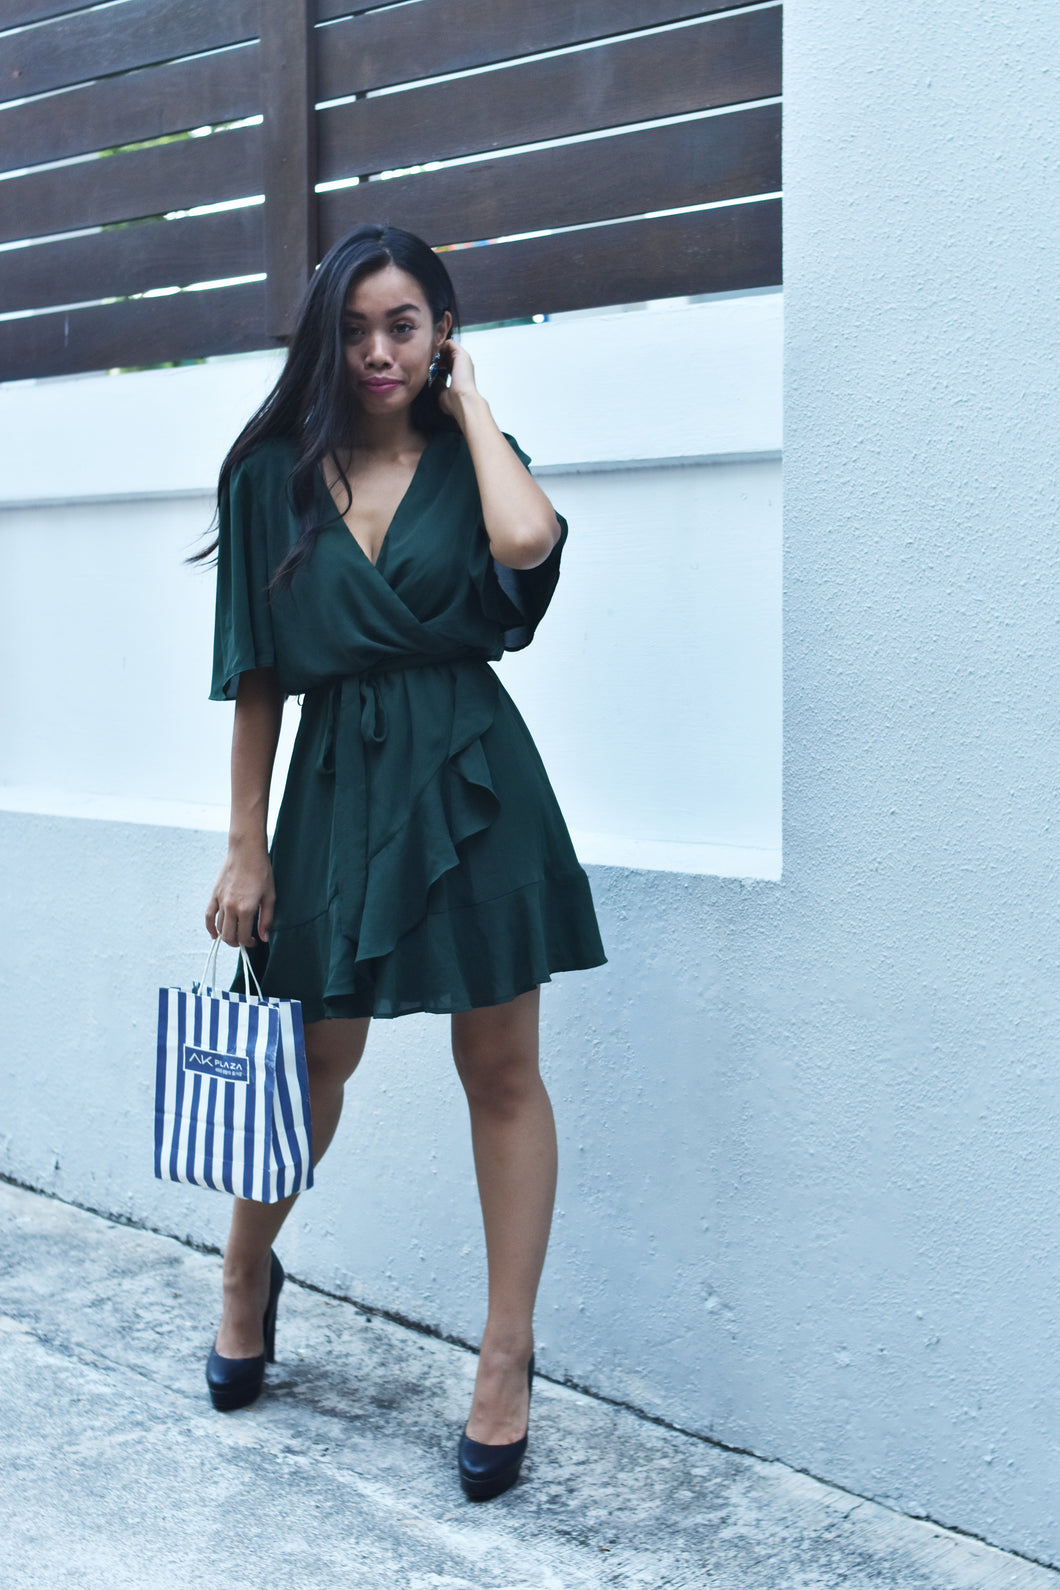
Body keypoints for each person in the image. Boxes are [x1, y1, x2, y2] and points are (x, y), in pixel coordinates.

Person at [198, 223, 606, 1500]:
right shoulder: (271, 474)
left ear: (441, 333)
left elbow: (528, 546)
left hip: (476, 784)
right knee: (309, 1066)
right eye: (358, 326)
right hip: (330, 791)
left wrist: (475, 408)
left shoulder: (474, 456)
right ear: (328, 333)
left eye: (406, 325)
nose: (380, 351)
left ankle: (504, 1356)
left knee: (500, 1071)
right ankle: (242, 1272)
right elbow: (257, 672)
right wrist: (246, 846)